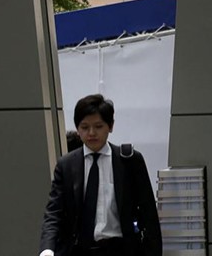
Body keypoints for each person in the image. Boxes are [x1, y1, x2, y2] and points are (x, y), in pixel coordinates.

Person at [39, 94, 162, 256]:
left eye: (98, 126)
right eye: (84, 127)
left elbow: (149, 214)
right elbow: (54, 212)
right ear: (77, 128)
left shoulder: (129, 160)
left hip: (120, 248)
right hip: (79, 249)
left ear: (110, 126)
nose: (91, 133)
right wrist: (47, 249)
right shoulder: (67, 165)